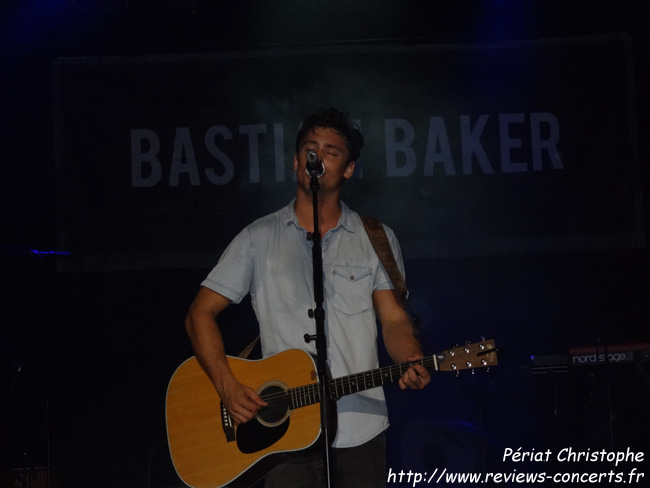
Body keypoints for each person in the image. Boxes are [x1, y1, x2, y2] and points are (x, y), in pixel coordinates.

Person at [184, 107, 430, 488]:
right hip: (283, 436)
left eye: (332, 151)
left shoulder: (376, 238)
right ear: (297, 161)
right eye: (310, 149)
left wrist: (409, 357)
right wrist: (227, 386)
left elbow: (394, 320)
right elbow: (199, 314)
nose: (318, 157)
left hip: (359, 428)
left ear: (347, 169)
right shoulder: (258, 237)